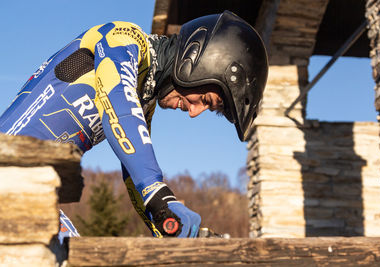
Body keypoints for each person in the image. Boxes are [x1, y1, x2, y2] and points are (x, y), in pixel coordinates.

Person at [0, 10, 268, 241]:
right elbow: (118, 104)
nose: (195, 113)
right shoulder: (125, 39)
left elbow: (134, 177)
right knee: (72, 256)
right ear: (195, 60)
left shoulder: (143, 97)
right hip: (8, 179)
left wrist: (172, 228)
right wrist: (156, 190)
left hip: (21, 189)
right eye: (207, 99)